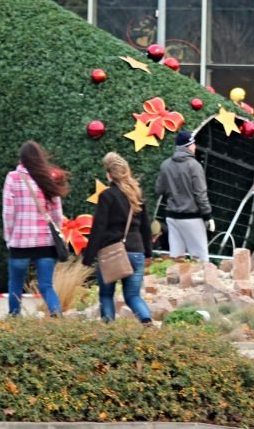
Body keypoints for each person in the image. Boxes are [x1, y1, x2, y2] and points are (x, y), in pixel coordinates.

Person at [83, 152, 153, 325]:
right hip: (136, 251)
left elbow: (98, 228)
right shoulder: (137, 195)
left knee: (106, 294)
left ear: (109, 175)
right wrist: (148, 253)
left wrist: (88, 257)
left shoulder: (106, 196)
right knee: (133, 296)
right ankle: (147, 321)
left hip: (111, 252)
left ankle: (109, 330)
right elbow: (146, 227)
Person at [2, 140, 67, 316]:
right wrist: (57, 233)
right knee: (46, 285)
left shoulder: (13, 178)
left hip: (20, 241)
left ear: (21, 158)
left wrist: (9, 238)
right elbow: (57, 213)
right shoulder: (48, 178)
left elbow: (8, 213)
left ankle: (14, 318)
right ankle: (57, 315)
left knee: (15, 284)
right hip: (46, 241)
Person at [155, 130, 214, 263]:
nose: (195, 147)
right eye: (193, 144)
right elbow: (200, 193)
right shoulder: (194, 166)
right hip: (192, 217)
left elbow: (159, 189)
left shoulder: (165, 165)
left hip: (172, 216)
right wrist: (208, 215)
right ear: (189, 146)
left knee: (176, 258)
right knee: (200, 259)